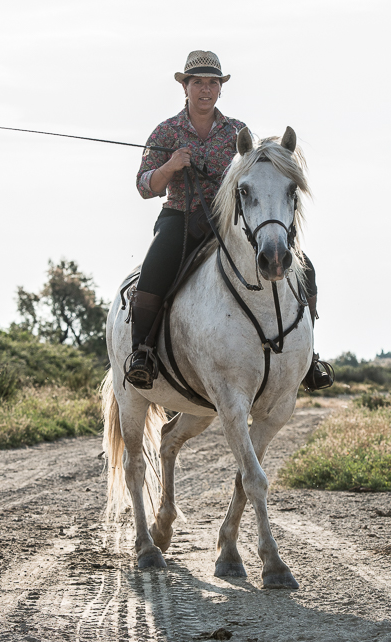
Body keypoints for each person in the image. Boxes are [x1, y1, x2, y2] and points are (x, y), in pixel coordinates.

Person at [125, 50, 332, 393]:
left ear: (220, 89)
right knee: (154, 269)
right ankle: (142, 353)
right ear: (185, 87)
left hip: (231, 222)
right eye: (197, 83)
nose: (205, 89)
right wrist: (172, 165)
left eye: (212, 83)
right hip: (182, 218)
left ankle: (307, 358)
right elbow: (145, 186)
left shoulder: (239, 132)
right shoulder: (166, 132)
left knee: (303, 267)